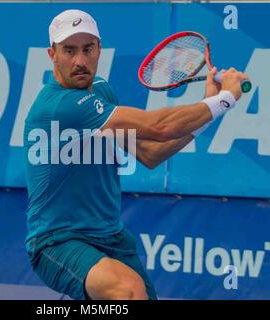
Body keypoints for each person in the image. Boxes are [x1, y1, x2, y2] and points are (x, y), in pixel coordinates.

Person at [23, 9, 248, 300]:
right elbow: (160, 127)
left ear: (99, 49)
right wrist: (225, 99)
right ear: (52, 54)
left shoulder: (100, 91)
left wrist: (209, 107)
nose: (80, 61)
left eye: (87, 49)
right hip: (58, 241)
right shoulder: (61, 106)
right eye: (69, 50)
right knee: (127, 291)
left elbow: (152, 153)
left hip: (111, 237)